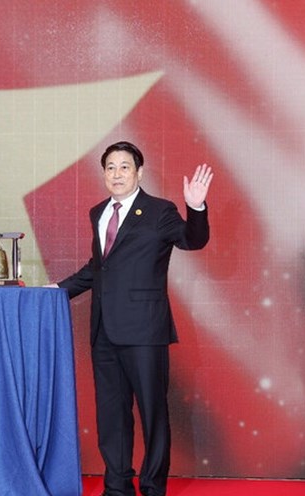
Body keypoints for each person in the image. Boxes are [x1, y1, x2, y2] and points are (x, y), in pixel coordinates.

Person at [53, 141, 213, 496]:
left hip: (144, 330)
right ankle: (117, 486)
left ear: (139, 172)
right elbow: (99, 268)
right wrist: (54, 292)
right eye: (110, 167)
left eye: (124, 166)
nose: (117, 174)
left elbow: (192, 240)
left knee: (153, 414)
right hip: (103, 331)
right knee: (111, 416)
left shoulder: (159, 210)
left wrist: (196, 206)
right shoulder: (98, 212)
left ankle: (153, 487)